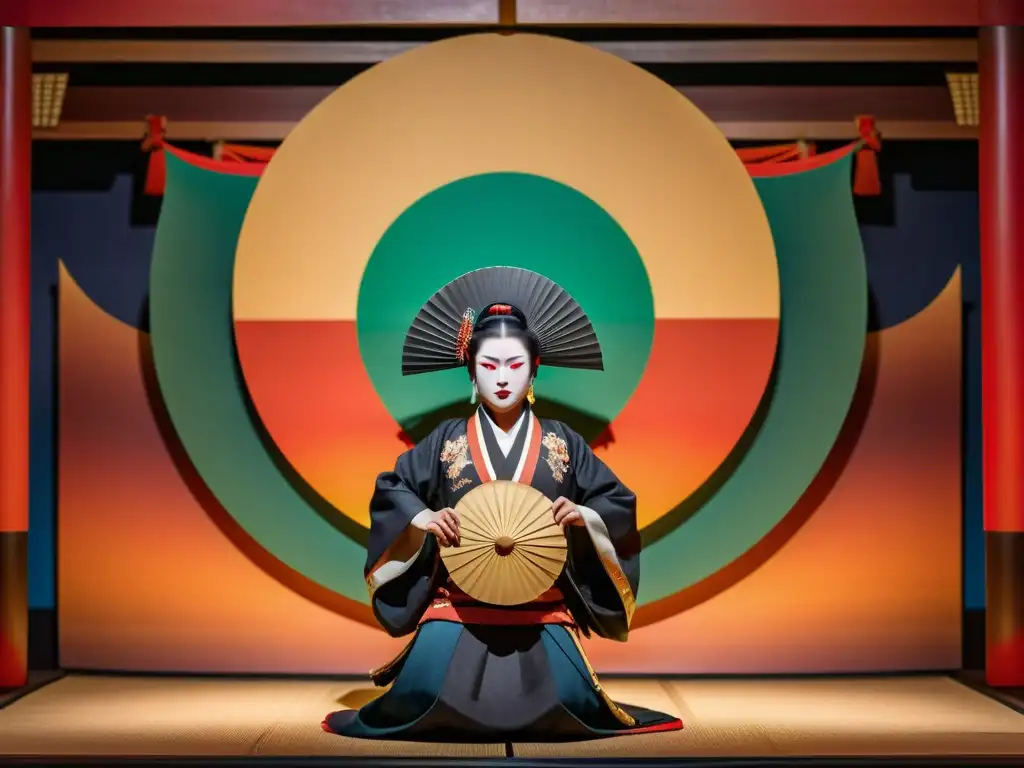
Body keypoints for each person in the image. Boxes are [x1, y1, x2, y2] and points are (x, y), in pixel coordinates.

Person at [323, 267, 682, 741]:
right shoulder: (447, 441)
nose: (503, 378)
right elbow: (394, 488)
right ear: (471, 370)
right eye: (489, 365)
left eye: (515, 365)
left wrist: (586, 517)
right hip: (458, 608)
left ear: (535, 368)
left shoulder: (562, 442)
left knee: (566, 703)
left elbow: (615, 500)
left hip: (542, 611)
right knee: (427, 695)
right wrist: (422, 518)